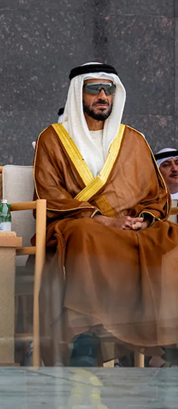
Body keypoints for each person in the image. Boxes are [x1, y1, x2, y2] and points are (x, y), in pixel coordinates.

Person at [34, 62, 178, 366]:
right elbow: (49, 193)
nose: (102, 95)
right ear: (78, 93)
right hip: (79, 222)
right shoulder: (53, 138)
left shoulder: (133, 140)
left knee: (171, 238)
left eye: (108, 89)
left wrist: (144, 219)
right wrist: (104, 219)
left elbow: (156, 194)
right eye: (94, 89)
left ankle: (169, 337)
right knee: (87, 234)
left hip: (131, 226)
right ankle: (85, 337)